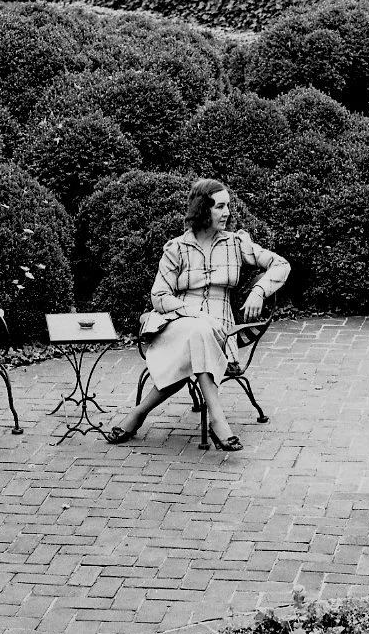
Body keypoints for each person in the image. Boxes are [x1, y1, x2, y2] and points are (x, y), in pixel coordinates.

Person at [105, 178, 289, 451]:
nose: (227, 213)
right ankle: (218, 420)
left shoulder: (236, 244)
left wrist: (259, 290)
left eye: (227, 206)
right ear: (203, 209)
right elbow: (159, 296)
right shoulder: (177, 248)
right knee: (198, 329)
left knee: (200, 335)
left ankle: (138, 413)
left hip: (220, 331)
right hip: (176, 324)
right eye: (219, 207)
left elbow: (281, 264)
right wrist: (197, 315)